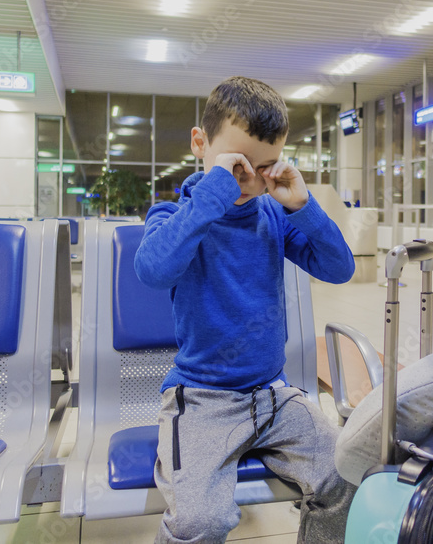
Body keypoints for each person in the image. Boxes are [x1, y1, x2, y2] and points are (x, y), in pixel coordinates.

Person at [134, 76, 357, 544]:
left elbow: (339, 268)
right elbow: (153, 271)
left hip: (272, 396)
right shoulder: (173, 217)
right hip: (201, 400)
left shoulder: (273, 214)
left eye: (266, 166)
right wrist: (213, 193)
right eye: (236, 165)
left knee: (348, 476)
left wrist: (304, 206)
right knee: (201, 522)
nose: (251, 179)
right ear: (200, 143)